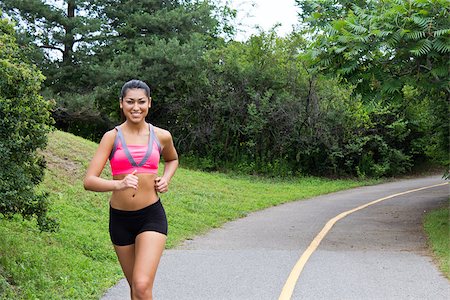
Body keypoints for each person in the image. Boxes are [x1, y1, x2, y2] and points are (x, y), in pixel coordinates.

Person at [83, 79, 178, 300]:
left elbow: (172, 159)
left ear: (149, 103)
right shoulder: (112, 137)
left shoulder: (162, 136)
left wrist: (166, 178)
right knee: (136, 290)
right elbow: (89, 181)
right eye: (130, 102)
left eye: (141, 102)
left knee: (142, 285)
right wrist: (119, 183)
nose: (136, 107)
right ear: (121, 104)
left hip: (150, 216)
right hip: (120, 220)